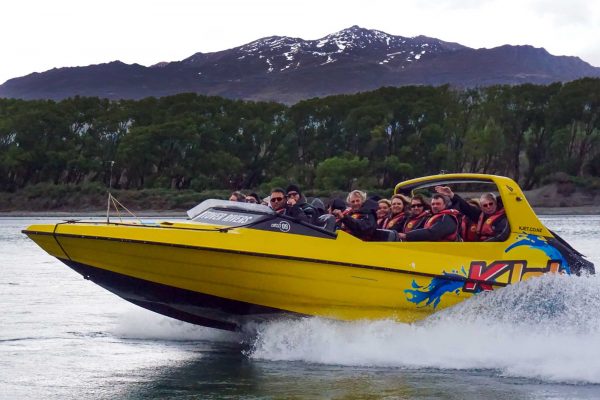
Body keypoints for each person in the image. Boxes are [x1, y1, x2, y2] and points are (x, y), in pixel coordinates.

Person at [435, 186, 509, 242]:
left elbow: (501, 236)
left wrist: (481, 246)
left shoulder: (503, 218)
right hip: (477, 247)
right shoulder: (480, 215)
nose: (488, 207)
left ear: (495, 203)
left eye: (491, 204)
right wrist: (451, 194)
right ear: (482, 207)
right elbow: (466, 207)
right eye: (485, 205)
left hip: (494, 248)